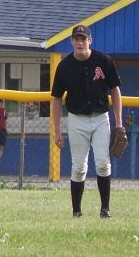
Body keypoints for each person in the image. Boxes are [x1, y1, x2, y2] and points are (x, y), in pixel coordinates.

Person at [51, 24, 123, 218]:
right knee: (79, 166)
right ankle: (76, 211)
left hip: (101, 118)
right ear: (72, 41)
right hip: (77, 120)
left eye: (83, 38)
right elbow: (56, 98)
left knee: (102, 163)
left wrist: (119, 123)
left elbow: (115, 89)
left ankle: (105, 209)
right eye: (76, 39)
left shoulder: (103, 60)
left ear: (90, 41)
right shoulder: (64, 66)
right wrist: (56, 131)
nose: (80, 42)